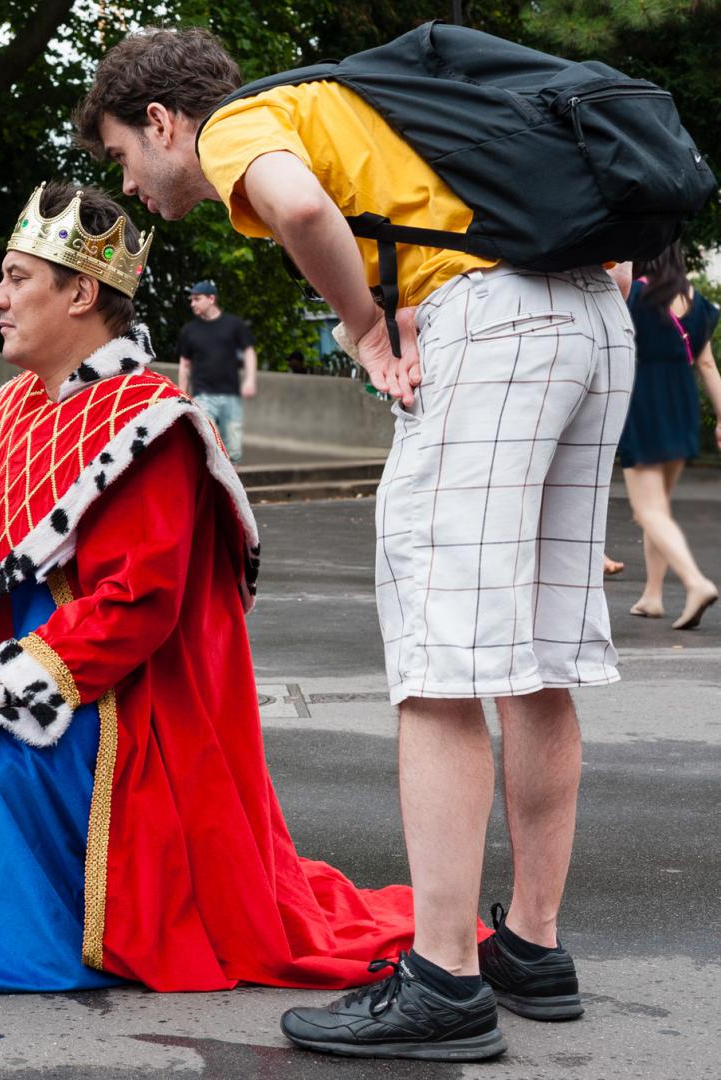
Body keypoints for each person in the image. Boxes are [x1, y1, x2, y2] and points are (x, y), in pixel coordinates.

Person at [76, 27, 636, 1061]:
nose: (135, 180)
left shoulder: (244, 123)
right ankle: (532, 948)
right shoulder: (340, 103)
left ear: (161, 121)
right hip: (591, 320)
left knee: (438, 659)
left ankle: (442, 980)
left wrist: (365, 323)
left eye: (122, 156)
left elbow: (297, 206)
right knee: (537, 654)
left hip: (492, 323)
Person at [0, 180, 415, 996]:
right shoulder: (6, 410)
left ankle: (7, 948)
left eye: (17, 279)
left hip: (118, 706)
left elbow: (140, 604)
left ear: (80, 292)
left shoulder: (154, 420)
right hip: (40, 672)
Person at [618, 242, 721, 630]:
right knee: (656, 508)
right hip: (681, 407)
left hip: (644, 404)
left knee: (648, 510)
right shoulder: (699, 304)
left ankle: (696, 583)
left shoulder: (635, 293)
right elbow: (707, 365)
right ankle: (653, 596)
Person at [176, 279, 257, 460]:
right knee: (207, 444)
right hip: (203, 396)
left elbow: (249, 352)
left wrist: (250, 380)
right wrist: (183, 394)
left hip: (231, 395)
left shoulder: (233, 325)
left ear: (211, 299)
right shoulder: (189, 331)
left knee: (233, 449)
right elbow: (185, 365)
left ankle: (232, 484)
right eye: (191, 300)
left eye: (197, 299)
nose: (192, 304)